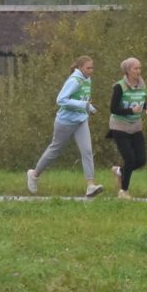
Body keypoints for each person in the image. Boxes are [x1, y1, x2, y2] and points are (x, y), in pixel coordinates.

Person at [27, 55, 102, 198]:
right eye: (88, 68)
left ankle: (90, 186)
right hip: (65, 121)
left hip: (81, 120)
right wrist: (83, 105)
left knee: (87, 151)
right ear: (80, 67)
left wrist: (89, 108)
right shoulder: (74, 80)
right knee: (55, 150)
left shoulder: (88, 80)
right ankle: (34, 174)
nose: (91, 70)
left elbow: (83, 99)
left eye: (92, 68)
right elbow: (61, 100)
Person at [104, 56, 147, 200]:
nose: (138, 71)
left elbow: (142, 100)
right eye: (135, 68)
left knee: (141, 160)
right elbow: (113, 109)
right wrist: (132, 111)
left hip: (136, 126)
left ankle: (119, 171)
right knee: (130, 159)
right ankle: (123, 192)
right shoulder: (119, 86)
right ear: (127, 71)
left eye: (140, 68)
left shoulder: (142, 84)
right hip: (119, 126)